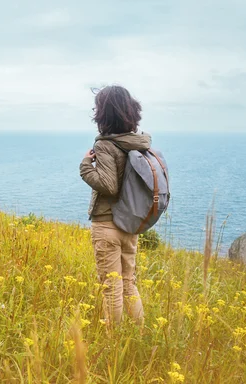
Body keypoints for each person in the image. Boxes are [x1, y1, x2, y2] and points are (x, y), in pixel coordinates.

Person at [79, 85, 151, 325]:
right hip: (130, 223)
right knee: (128, 281)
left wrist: (86, 167)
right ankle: (138, 332)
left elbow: (109, 186)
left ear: (103, 114)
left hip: (107, 224)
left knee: (111, 285)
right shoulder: (138, 143)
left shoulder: (105, 145)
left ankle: (114, 340)